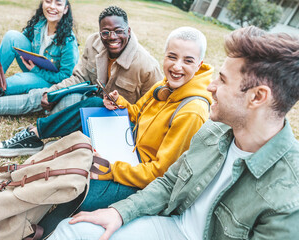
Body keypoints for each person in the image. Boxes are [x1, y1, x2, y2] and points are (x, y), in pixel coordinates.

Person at [48, 26, 299, 240]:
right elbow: (169, 182)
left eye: (222, 80)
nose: (210, 86)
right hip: (171, 226)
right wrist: (120, 212)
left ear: (257, 97)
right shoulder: (214, 131)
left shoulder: (288, 199)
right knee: (71, 230)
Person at [37, 26, 213, 238]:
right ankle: (37, 132)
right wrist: (119, 103)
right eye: (172, 57)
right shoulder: (163, 84)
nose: (177, 66)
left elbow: (160, 175)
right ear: (164, 56)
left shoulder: (192, 111)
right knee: (93, 104)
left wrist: (111, 169)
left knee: (86, 188)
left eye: (188, 60)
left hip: (141, 179)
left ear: (199, 64)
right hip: (126, 147)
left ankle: (42, 232)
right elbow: (139, 113)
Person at [0, 6, 163, 157]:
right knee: (52, 96)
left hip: (122, 125)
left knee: (94, 103)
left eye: (119, 31)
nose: (112, 37)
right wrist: (53, 92)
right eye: (105, 32)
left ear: (129, 31)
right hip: (91, 112)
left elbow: (154, 113)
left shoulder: (147, 66)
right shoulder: (94, 42)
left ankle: (35, 134)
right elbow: (78, 77)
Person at [0, 0, 79, 95]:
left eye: (58, 3)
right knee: (11, 36)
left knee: (9, 84)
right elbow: (13, 45)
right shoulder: (39, 24)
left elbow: (65, 77)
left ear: (65, 9)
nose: (52, 6)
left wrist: (36, 70)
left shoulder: (68, 41)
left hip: (51, 81)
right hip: (33, 66)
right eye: (48, 1)